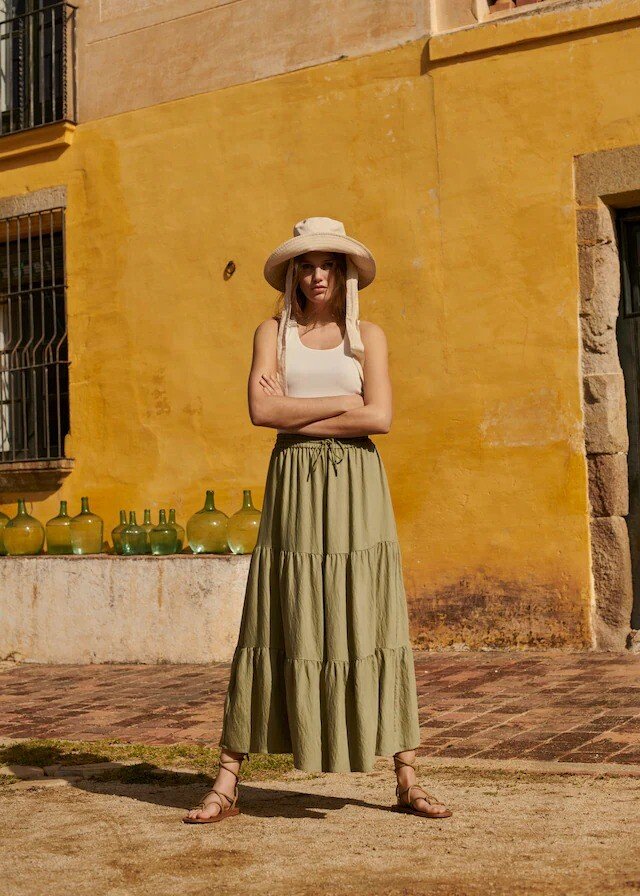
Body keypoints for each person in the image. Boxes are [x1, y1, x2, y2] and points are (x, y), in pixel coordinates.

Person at [183, 217, 452, 823]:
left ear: (345, 272)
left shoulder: (368, 337)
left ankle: (407, 777)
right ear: (293, 275)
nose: (317, 275)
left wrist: (297, 409)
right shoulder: (272, 333)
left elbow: (380, 418)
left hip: (358, 486)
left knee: (369, 610)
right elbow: (261, 411)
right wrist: (341, 402)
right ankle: (227, 780)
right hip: (295, 485)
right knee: (278, 609)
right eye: (306, 265)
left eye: (328, 264)